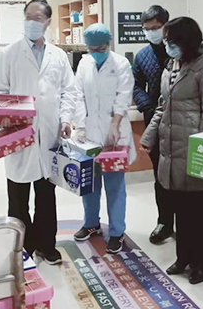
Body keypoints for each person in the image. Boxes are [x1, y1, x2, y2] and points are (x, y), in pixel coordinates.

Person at [0, 0, 76, 265]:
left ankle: (46, 246)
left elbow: (69, 91)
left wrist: (66, 119)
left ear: (48, 21)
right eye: (28, 17)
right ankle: (22, 249)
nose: (31, 23)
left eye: (37, 18)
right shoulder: (9, 53)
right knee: (18, 200)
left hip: (49, 137)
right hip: (19, 136)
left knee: (46, 197)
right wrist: (5, 117)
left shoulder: (58, 56)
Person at [140, 17, 203, 284]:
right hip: (170, 148)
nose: (167, 46)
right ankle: (184, 256)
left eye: (171, 41)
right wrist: (149, 136)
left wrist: (202, 151)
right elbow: (163, 105)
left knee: (196, 209)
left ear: (186, 41)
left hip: (194, 148)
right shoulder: (172, 65)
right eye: (166, 41)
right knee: (179, 208)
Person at [73, 23, 136, 254]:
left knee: (115, 185)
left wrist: (115, 123)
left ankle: (117, 232)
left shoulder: (121, 64)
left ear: (108, 44)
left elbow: (124, 95)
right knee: (89, 183)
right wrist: (80, 125)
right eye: (92, 49)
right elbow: (78, 95)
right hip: (90, 134)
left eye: (101, 48)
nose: (97, 53)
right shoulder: (84, 64)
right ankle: (91, 224)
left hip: (114, 134)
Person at [133, 5, 174, 245]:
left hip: (180, 122)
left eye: (156, 27)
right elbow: (135, 85)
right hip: (154, 122)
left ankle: (184, 222)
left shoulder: (179, 51)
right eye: (147, 29)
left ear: (166, 25)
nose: (152, 32)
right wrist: (146, 106)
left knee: (180, 177)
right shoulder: (142, 56)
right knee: (160, 174)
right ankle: (164, 222)